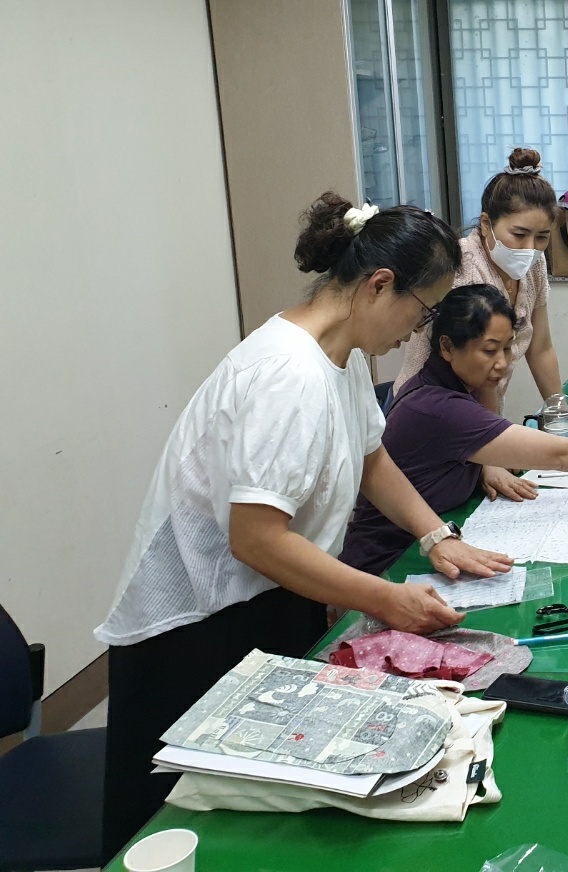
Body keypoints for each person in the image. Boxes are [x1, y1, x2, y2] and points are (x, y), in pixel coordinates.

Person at [95, 194, 513, 858]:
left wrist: (437, 535)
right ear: (379, 285)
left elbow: (372, 457)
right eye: (423, 309)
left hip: (271, 596)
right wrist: (384, 597)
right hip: (202, 625)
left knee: (274, 807)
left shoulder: (344, 356)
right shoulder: (287, 374)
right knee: (190, 829)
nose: (420, 329)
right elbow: (256, 539)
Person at [342, 284, 568, 576]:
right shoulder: (437, 407)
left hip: (430, 543)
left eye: (508, 348)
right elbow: (560, 454)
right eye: (489, 350)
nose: (502, 363)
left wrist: (483, 466)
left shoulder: (449, 386)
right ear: (447, 347)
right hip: (389, 566)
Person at [392, 147, 568, 503]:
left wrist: (560, 416)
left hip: (479, 424)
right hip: (437, 421)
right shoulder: (461, 268)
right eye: (519, 234)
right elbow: (473, 371)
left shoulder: (533, 265)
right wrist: (489, 455)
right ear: (487, 224)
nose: (530, 248)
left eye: (542, 237)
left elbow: (541, 347)